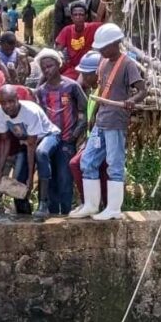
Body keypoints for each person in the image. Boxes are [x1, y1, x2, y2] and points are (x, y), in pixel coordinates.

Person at [72, 24, 146, 220]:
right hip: (102, 120)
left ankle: (114, 208)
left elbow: (142, 90)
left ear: (115, 44)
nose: (102, 51)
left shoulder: (127, 64)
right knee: (88, 161)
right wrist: (94, 116)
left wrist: (131, 101)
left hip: (116, 121)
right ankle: (91, 204)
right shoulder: (103, 62)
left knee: (114, 163)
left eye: (104, 47)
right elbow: (102, 91)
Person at [0, 84, 60, 216]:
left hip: (47, 136)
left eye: (11, 101)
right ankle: (24, 215)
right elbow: (5, 142)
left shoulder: (30, 112)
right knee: (18, 181)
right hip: (26, 142)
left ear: (18, 98)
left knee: (41, 153)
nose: (8, 106)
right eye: (4, 103)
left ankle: (43, 203)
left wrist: (30, 177)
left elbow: (31, 146)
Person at [34, 49, 88, 216]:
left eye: (50, 66)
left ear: (59, 65)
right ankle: (49, 212)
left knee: (65, 179)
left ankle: (65, 214)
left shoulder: (71, 86)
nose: (47, 70)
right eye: (43, 68)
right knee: (49, 177)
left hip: (67, 140)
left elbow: (85, 111)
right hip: (49, 139)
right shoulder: (41, 91)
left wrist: (75, 133)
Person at [0, 70, 36, 211]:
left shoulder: (21, 94)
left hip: (21, 148)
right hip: (1, 149)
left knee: (18, 183)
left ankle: (22, 213)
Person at [68, 51, 108, 209]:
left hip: (101, 139)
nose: (83, 78)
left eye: (86, 74)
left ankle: (91, 203)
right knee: (101, 171)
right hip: (93, 138)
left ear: (97, 73)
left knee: (77, 164)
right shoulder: (94, 91)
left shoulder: (103, 92)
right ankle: (96, 204)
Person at [55, 1, 103, 80]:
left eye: (81, 14)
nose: (78, 17)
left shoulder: (94, 27)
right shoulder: (67, 30)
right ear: (71, 17)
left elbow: (109, 26)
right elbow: (57, 50)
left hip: (89, 67)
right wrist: (60, 56)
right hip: (73, 67)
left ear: (86, 16)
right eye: (75, 15)